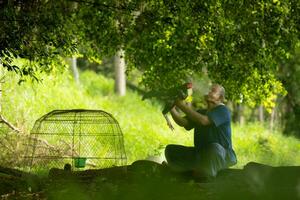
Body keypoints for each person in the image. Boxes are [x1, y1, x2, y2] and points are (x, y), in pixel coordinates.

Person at [164, 84, 237, 178]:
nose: (209, 91)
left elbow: (204, 121)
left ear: (220, 98)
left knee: (214, 148)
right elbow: (183, 122)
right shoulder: (201, 112)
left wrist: (180, 104)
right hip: (201, 153)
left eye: (213, 91)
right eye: (209, 89)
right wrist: (172, 108)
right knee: (171, 150)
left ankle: (205, 177)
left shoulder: (223, 110)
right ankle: (190, 173)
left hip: (220, 155)